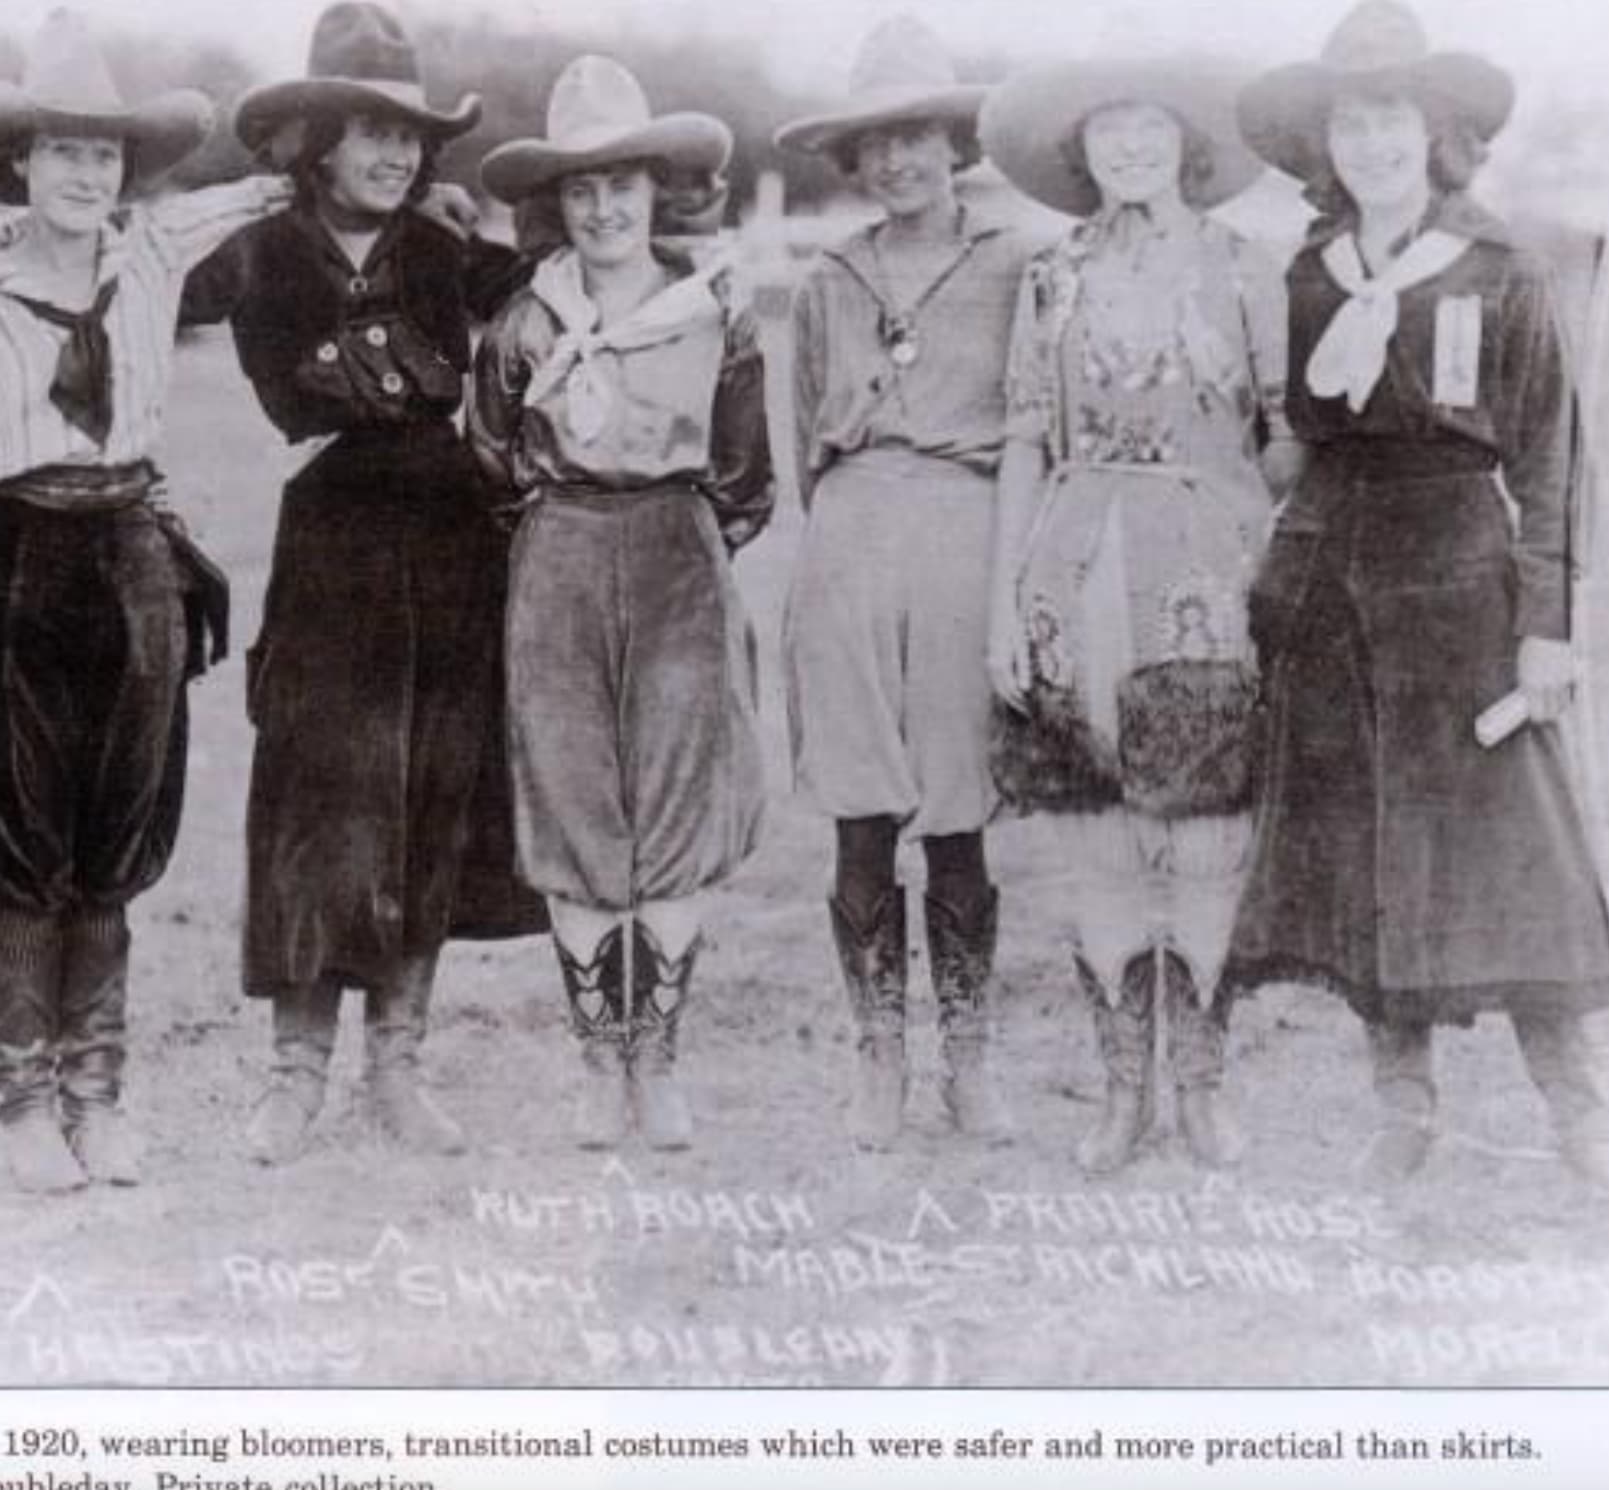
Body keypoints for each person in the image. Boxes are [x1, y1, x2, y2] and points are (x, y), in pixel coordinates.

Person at [1227, 0, 1609, 1211]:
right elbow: (1296, 443)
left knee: (1518, 853)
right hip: (1329, 588)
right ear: (1326, 141)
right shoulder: (1310, 275)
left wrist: (1548, 626)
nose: (1370, 141)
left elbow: (1553, 461)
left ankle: (1581, 1121)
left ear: (1437, 130)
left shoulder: (1500, 270)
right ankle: (1399, 1109)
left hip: (1462, 582)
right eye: (1349, 120)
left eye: (1391, 116)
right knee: (1365, 843)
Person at [0, 8, 290, 1193]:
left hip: (131, 555)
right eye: (61, 150)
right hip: (11, 561)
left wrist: (331, 144)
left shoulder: (154, 252)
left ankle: (99, 1095)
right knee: (22, 837)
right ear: (19, 161)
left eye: (103, 153)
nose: (84, 173)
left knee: (114, 835)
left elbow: (276, 190)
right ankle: (24, 1105)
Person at [180, 1, 544, 1167]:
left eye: (409, 135)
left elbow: (567, 276)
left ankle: (400, 1066)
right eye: (367, 131)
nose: (392, 153)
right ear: (317, 138)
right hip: (334, 543)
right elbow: (133, 274)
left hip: (453, 536)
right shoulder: (260, 251)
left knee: (430, 793)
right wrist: (235, 199)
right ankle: (294, 1076)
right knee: (318, 799)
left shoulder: (444, 248)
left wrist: (487, 220)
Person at [980, 51, 1300, 1172]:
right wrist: (1006, 598)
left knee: (1205, 834)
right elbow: (1025, 437)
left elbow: (1287, 440)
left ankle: (1201, 1089)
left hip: (1207, 569)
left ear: (1185, 143)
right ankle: (1122, 1093)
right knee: (1097, 834)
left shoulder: (1244, 269)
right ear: (1080, 151)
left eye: (1147, 127)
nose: (1127, 147)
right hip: (1073, 563)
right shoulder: (1050, 275)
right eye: (1105, 130)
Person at [470, 55, 773, 1151]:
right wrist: (566, 527)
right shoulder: (523, 321)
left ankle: (662, 1059)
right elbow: (491, 459)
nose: (603, 209)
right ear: (556, 204)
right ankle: (601, 1061)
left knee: (677, 801)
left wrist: (674, 542)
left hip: (678, 555)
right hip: (557, 557)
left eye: (623, 185)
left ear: (658, 192)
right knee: (576, 798)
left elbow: (746, 475)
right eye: (581, 190)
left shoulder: (714, 311)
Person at [773, 16, 1034, 1153]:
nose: (896, 162)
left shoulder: (1017, 264)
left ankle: (967, 1064)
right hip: (852, 527)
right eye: (874, 144)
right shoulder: (829, 276)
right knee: (861, 802)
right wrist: (841, 524)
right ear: (851, 159)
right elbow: (803, 441)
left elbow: (1038, 424)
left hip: (968, 526)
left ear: (955, 141)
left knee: (958, 805)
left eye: (917, 137)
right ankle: (879, 1058)